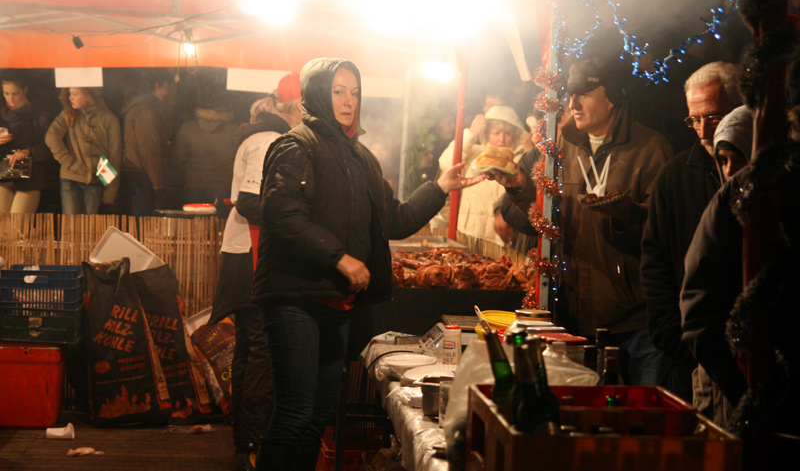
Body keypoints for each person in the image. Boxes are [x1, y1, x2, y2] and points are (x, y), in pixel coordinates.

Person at [251, 58, 482, 471]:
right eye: (338, 91)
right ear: (317, 94)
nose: (348, 101)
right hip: (294, 297)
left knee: (316, 417)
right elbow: (281, 215)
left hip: (336, 302)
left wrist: (439, 187)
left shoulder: (362, 158)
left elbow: (396, 219)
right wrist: (339, 258)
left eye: (355, 92)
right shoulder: (296, 146)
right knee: (294, 414)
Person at [489, 58, 673, 386]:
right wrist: (519, 187)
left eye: (584, 94)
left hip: (636, 324)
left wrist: (626, 214)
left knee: (636, 413)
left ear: (611, 96)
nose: (573, 103)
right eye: (570, 94)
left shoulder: (650, 148)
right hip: (573, 321)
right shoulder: (559, 147)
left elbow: (666, 232)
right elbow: (542, 222)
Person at [208, 73, 302, 471]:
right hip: (250, 256)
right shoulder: (268, 140)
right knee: (262, 351)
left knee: (251, 349)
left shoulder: (266, 136)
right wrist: (298, 220)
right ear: (297, 108)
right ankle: (254, 446)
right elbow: (248, 202)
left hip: (245, 254)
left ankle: (244, 442)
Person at [640, 62, 741, 403]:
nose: (702, 130)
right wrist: (679, 342)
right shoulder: (675, 176)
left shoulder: (770, 172)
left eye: (712, 117)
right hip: (693, 358)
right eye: (693, 119)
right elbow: (655, 262)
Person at [679, 105, 754, 428]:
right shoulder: (724, 205)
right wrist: (736, 384)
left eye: (740, 158)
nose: (731, 170)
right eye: (723, 160)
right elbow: (699, 308)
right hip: (729, 384)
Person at [438, 104, 527, 245]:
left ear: (514, 135)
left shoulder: (518, 161)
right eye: (496, 133)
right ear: (486, 133)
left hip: (501, 240)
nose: (502, 139)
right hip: (469, 236)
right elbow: (446, 163)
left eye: (508, 134)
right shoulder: (474, 154)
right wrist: (471, 133)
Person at [45, 87, 121, 214]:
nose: (70, 98)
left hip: (95, 180)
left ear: (88, 96)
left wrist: (110, 190)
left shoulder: (109, 118)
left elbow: (114, 155)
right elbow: (51, 137)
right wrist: (69, 162)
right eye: (69, 94)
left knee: (88, 224)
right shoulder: (68, 113)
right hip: (70, 178)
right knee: (70, 223)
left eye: (74, 94)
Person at [120, 69, 174, 216]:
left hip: (137, 175)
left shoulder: (140, 107)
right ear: (156, 85)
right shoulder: (146, 111)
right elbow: (150, 151)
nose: (168, 93)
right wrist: (158, 186)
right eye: (166, 88)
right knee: (143, 223)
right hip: (142, 178)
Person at [171, 91, 239, 208]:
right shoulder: (235, 130)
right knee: (221, 219)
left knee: (194, 219)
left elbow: (178, 159)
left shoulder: (187, 128)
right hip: (224, 187)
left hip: (193, 186)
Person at [0, 71, 52, 213]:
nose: (10, 98)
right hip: (3, 174)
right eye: (6, 93)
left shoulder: (40, 113)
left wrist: (29, 152)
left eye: (15, 93)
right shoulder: (2, 112)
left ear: (25, 90)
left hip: (31, 176)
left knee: (18, 223)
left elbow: (50, 147)